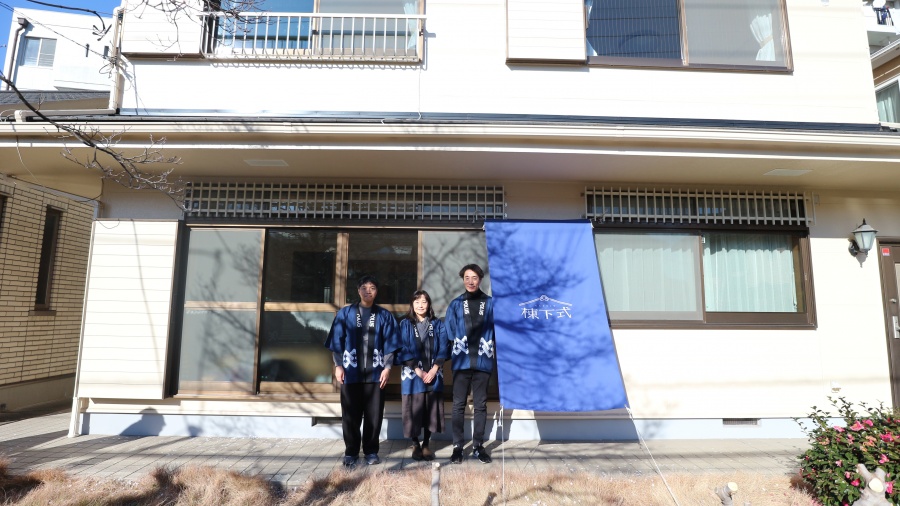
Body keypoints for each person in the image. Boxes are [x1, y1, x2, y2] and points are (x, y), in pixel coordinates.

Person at [325, 275, 400, 468]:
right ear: (358, 291)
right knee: (350, 414)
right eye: (364, 288)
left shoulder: (384, 315)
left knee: (374, 415)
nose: (368, 291)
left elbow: (391, 345)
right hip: (350, 372)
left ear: (377, 291)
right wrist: (338, 366)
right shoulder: (345, 313)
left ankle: (371, 451)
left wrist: (387, 368)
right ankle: (351, 452)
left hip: (376, 373)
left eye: (372, 288)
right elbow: (336, 342)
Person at [445, 264, 495, 464]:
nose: (471, 281)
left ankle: (478, 446)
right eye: (467, 278)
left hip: (483, 360)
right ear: (463, 280)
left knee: (480, 405)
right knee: (458, 404)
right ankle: (458, 446)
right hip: (461, 361)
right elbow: (449, 331)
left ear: (480, 279)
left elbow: (498, 330)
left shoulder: (490, 303)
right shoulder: (456, 304)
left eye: (474, 277)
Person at [397, 290, 450, 461]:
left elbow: (444, 346)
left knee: (430, 410)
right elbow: (402, 348)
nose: (420, 305)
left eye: (424, 302)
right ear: (412, 304)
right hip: (413, 375)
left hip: (433, 373)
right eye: (417, 302)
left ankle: (426, 444)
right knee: (413, 410)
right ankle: (415, 444)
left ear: (429, 304)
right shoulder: (405, 324)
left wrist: (434, 369)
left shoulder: (437, 324)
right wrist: (417, 370)